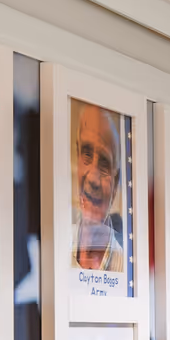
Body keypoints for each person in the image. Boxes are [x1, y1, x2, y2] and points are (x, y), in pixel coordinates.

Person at [72, 101, 127, 273]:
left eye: (104, 164)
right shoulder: (56, 250)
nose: (93, 179)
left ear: (116, 184)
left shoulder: (126, 270)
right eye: (87, 154)